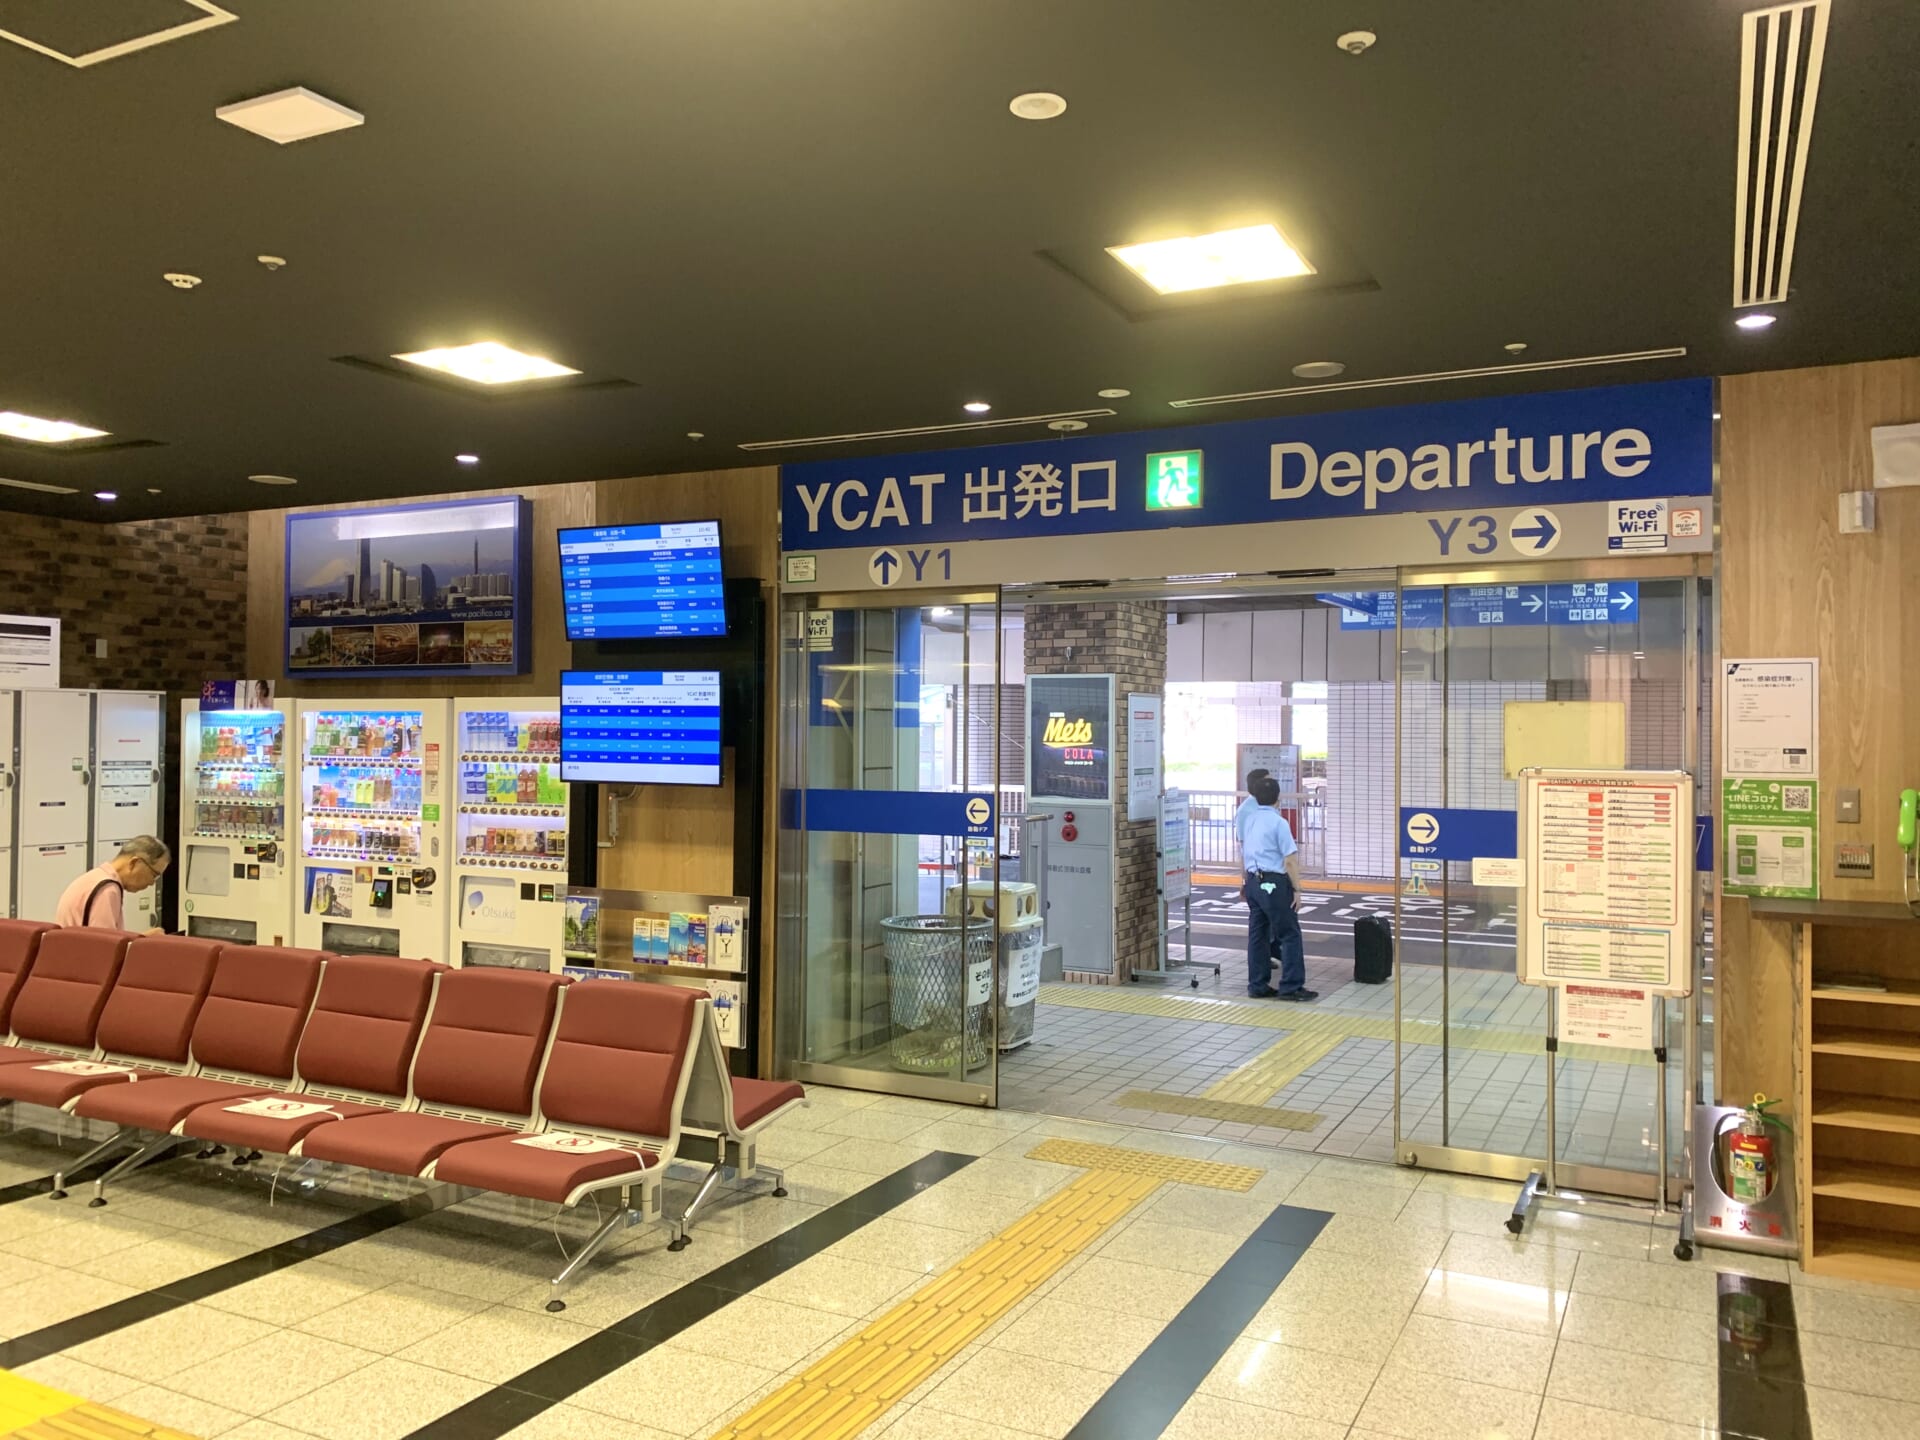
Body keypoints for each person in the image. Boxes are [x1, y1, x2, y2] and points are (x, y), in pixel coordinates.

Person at [1241, 776, 1314, 1001]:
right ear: (1278, 798)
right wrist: (1297, 890)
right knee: (1289, 934)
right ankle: (1291, 987)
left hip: (1253, 880)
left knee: (1258, 935)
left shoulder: (1250, 819)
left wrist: (1245, 882)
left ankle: (1257, 985)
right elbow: (1290, 860)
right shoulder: (1279, 822)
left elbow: (1244, 851)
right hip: (1273, 883)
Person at [54, 835, 169, 935]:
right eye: (154, 875)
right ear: (134, 863)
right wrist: (144, 941)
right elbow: (105, 946)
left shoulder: (95, 877)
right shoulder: (107, 890)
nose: (152, 883)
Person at [1233, 767, 1271, 857]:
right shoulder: (1245, 811)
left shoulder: (1269, 805)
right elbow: (1244, 842)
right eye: (1269, 783)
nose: (1273, 785)